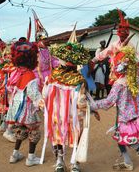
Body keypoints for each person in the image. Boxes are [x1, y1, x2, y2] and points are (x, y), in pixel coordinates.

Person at [88, 46, 139, 171]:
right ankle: (127, 161)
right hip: (133, 115)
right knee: (120, 137)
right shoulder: (137, 80)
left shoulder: (119, 84)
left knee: (130, 140)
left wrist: (93, 105)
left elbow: (108, 102)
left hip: (126, 117)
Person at [42, 31, 97, 172]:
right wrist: (43, 104)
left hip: (74, 114)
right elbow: (46, 94)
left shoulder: (79, 79)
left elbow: (83, 98)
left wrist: (87, 106)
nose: (69, 63)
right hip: (56, 112)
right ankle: (60, 161)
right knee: (57, 135)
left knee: (76, 134)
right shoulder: (52, 76)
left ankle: (75, 162)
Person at [6, 41, 43, 166]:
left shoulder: (15, 72)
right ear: (32, 59)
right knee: (34, 130)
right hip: (26, 108)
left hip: (16, 108)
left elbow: (10, 89)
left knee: (21, 129)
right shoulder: (29, 74)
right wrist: (42, 104)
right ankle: (31, 158)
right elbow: (33, 94)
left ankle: (15, 154)